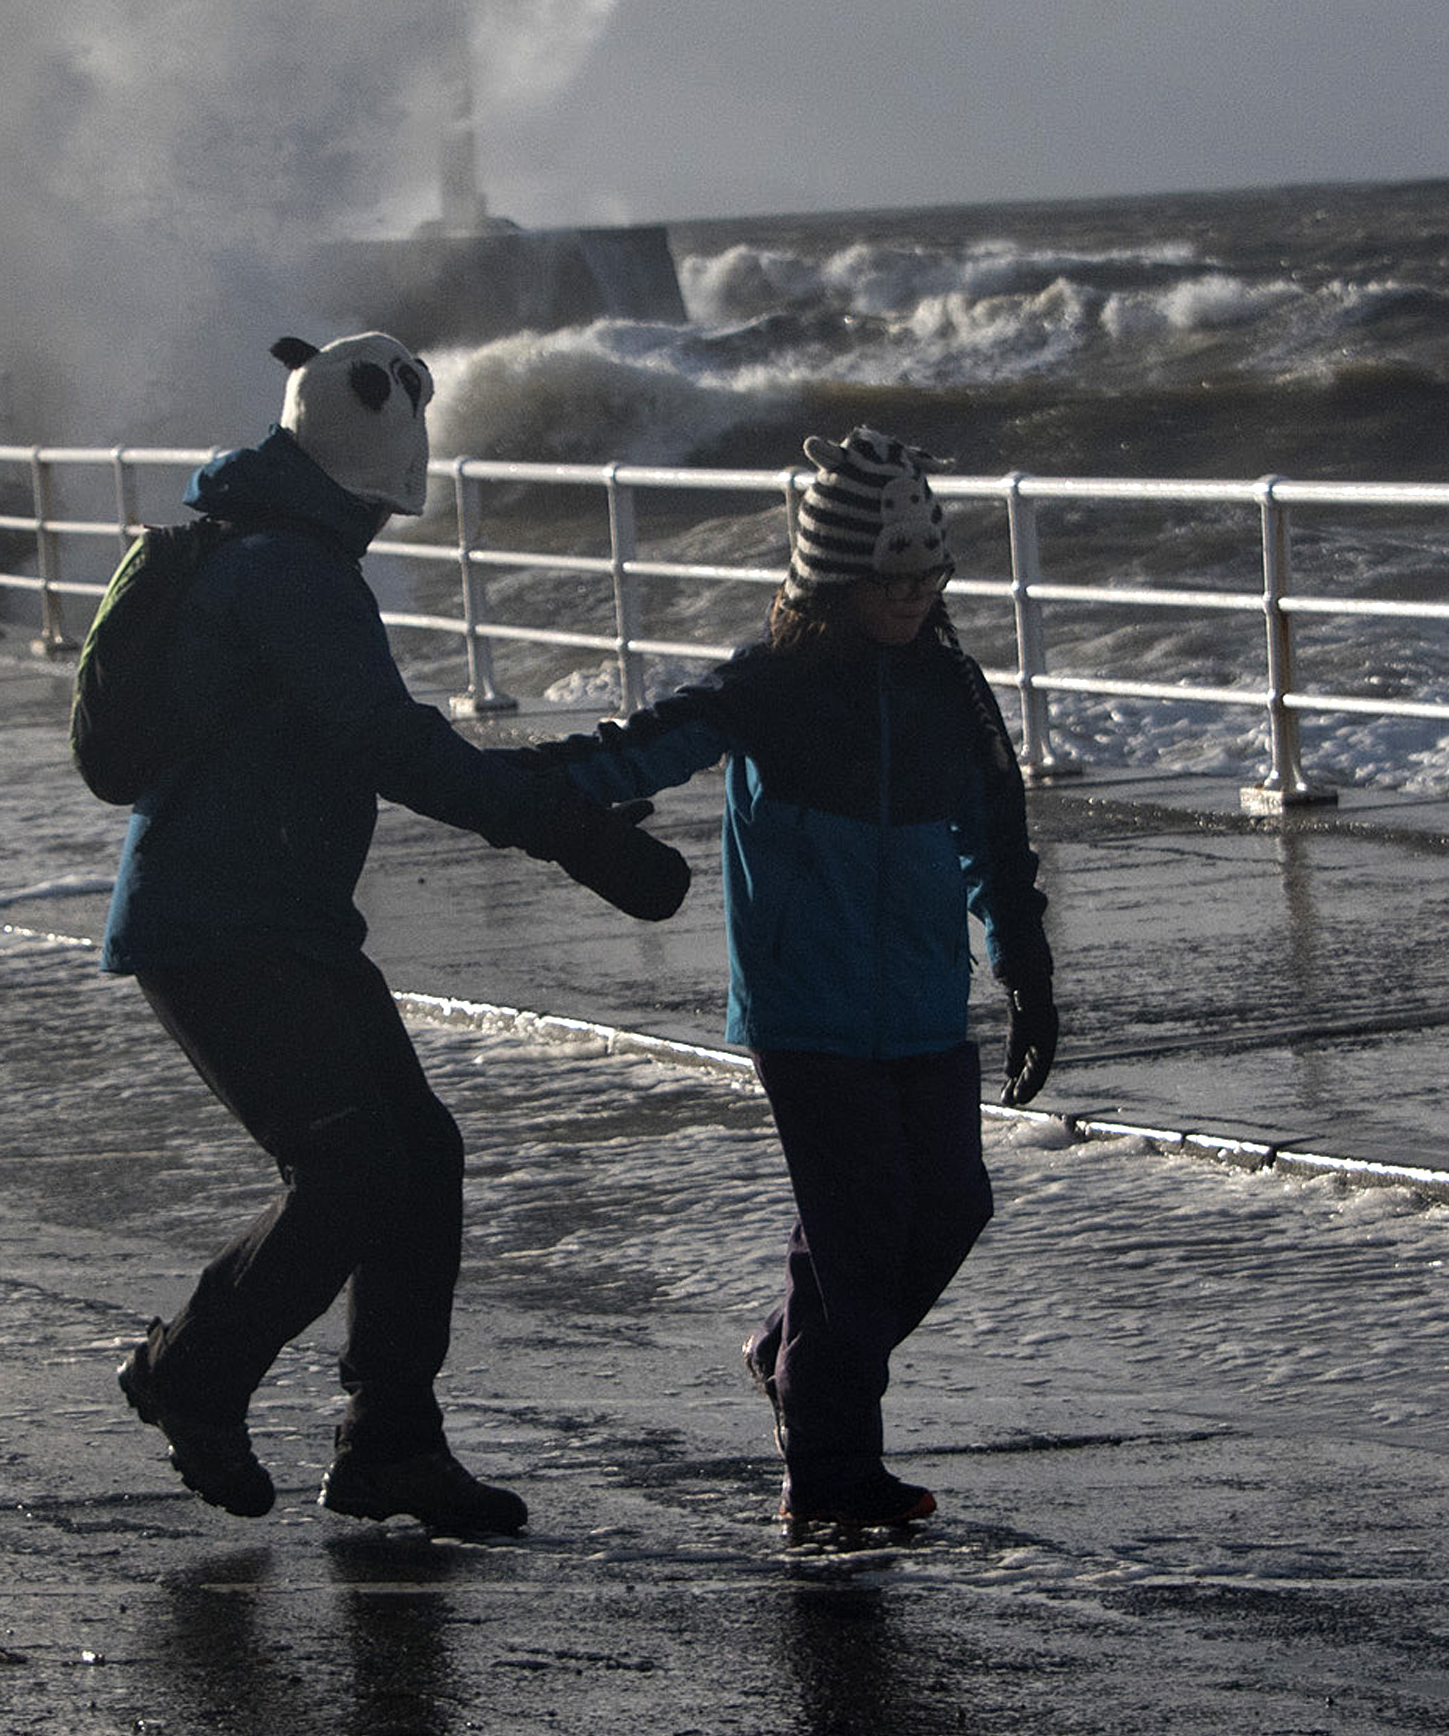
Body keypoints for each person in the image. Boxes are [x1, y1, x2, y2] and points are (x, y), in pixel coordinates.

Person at [105, 329, 688, 1538]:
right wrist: (564, 829)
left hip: (279, 918)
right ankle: (193, 1374)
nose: (381, 529)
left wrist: (554, 805)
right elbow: (395, 745)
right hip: (216, 924)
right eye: (381, 507)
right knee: (353, 1168)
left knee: (416, 1156)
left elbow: (379, 738)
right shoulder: (289, 575)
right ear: (364, 487)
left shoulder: (272, 550)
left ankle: (390, 1443)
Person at [529, 427, 1061, 1532]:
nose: (914, 595)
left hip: (922, 1003)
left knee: (948, 1212)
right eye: (892, 577)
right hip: (805, 1010)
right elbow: (646, 745)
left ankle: (794, 1358)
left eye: (930, 575)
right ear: (833, 576)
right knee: (858, 1227)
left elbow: (995, 837)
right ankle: (828, 1474)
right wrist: (509, 787)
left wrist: (1024, 969)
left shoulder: (951, 689)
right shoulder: (772, 685)